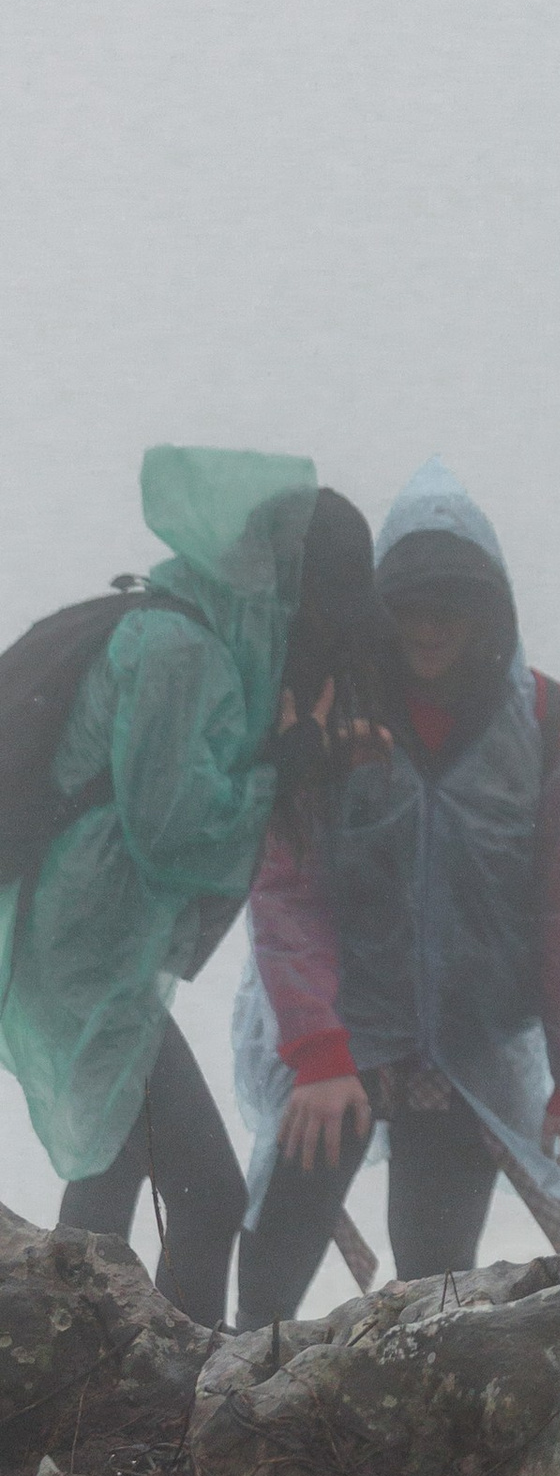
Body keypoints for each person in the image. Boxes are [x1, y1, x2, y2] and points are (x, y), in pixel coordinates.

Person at [2, 448, 382, 1332]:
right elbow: (173, 830)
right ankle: (158, 1414)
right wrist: (289, 761)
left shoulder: (190, 637)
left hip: (89, 952)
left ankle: (113, 1408)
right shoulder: (181, 648)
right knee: (197, 1194)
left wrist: (294, 759)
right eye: (323, 602)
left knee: (131, 1180)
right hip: (87, 954)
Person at [234, 461, 560, 1321]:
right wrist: (318, 1050)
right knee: (273, 1262)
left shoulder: (543, 722)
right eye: (410, 602)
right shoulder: (335, 706)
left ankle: (400, 1453)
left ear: (493, 606)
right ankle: (225, 1423)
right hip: (335, 1038)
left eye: (454, 601)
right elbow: (286, 888)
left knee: (436, 1277)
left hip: (468, 1045)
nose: (431, 624)